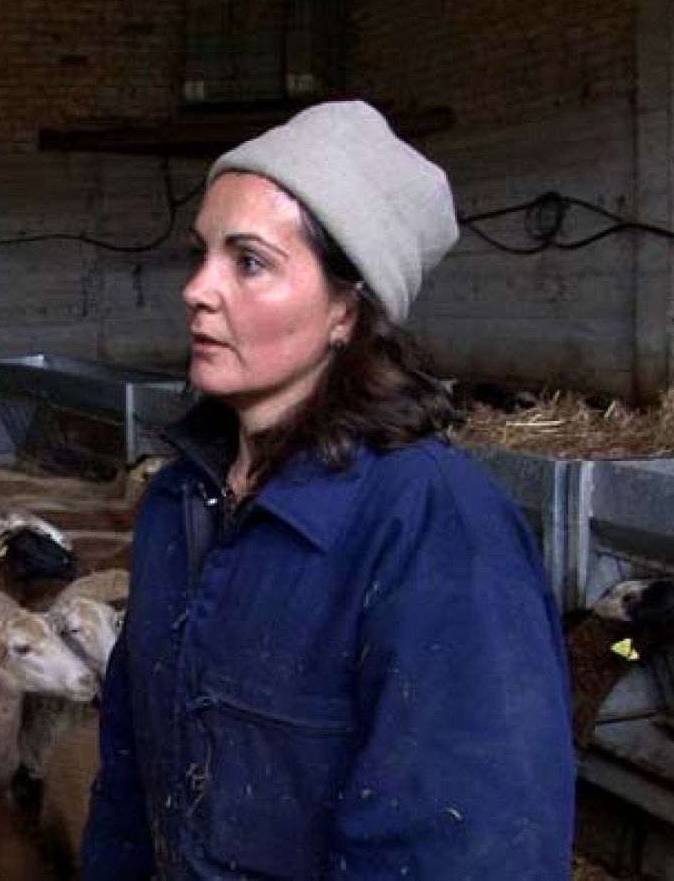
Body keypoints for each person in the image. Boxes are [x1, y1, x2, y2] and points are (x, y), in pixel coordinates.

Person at [81, 102, 575, 879]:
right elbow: (129, 779)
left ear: (346, 309)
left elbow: (468, 847)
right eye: (200, 253)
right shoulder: (179, 502)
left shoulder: (433, 526)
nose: (197, 290)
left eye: (248, 262)